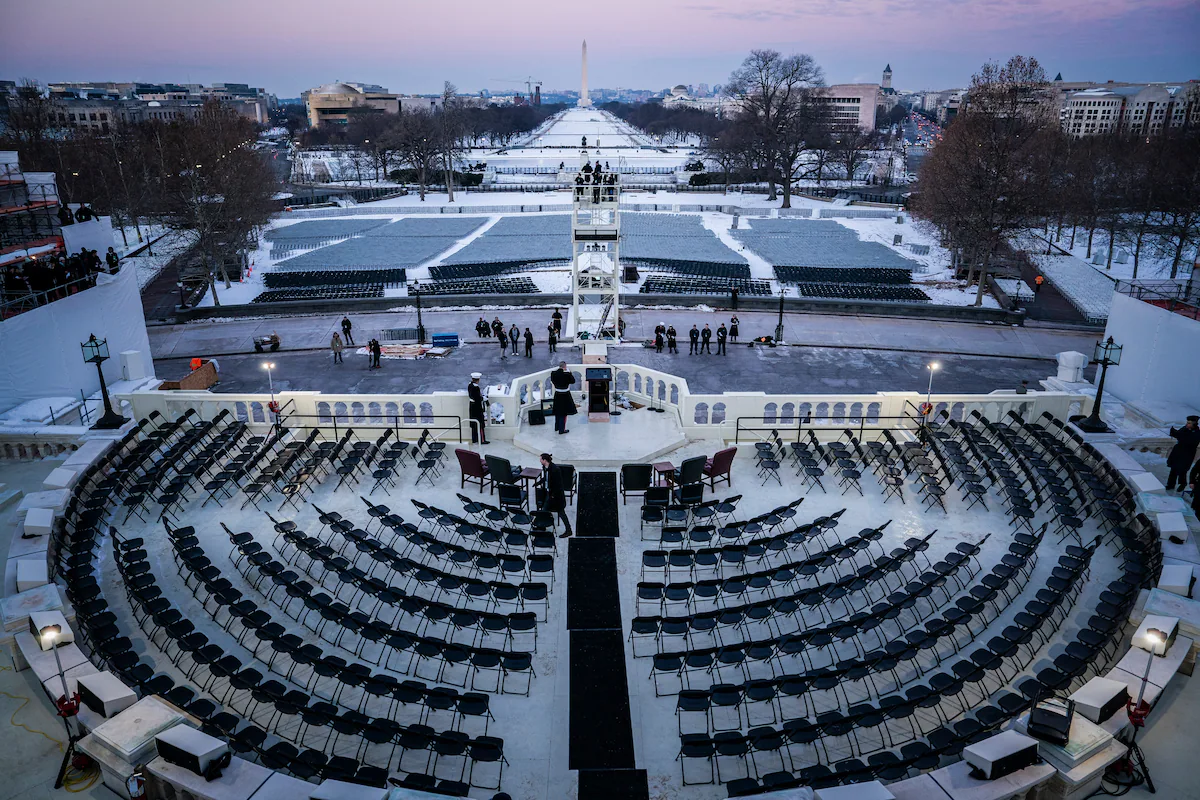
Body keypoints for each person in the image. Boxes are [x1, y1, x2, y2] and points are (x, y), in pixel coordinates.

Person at [540, 453, 573, 538]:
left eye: (541, 459)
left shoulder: (555, 470)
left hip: (557, 496)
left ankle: (568, 530)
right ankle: (542, 527)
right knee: (544, 509)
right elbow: (546, 478)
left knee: (561, 512)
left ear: (544, 460)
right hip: (549, 494)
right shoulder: (545, 467)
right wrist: (539, 482)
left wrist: (553, 496)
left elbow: (559, 485)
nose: (540, 461)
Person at [1166, 415, 1200, 492]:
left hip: (1187, 454)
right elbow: (1179, 435)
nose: (1186, 424)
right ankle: (1170, 485)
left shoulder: (1197, 433)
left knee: (1182, 470)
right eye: (1187, 422)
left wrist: (1180, 436)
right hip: (1178, 452)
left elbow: (1188, 440)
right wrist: (1173, 432)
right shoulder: (1184, 428)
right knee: (1173, 469)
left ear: (1194, 424)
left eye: (1189, 423)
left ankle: (1182, 483)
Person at [550, 361, 576, 435]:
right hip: (565, 394)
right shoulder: (567, 375)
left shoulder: (553, 374)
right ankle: (562, 429)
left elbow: (553, 380)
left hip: (557, 393)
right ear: (565, 367)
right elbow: (573, 381)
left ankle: (557, 427)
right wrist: (569, 373)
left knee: (557, 411)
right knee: (563, 412)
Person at [468, 373, 489, 444]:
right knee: (480, 424)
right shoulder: (476, 388)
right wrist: (483, 398)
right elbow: (477, 398)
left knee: (474, 423)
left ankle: (474, 439)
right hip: (477, 408)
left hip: (472, 406)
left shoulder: (470, 385)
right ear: (478, 380)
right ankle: (482, 440)